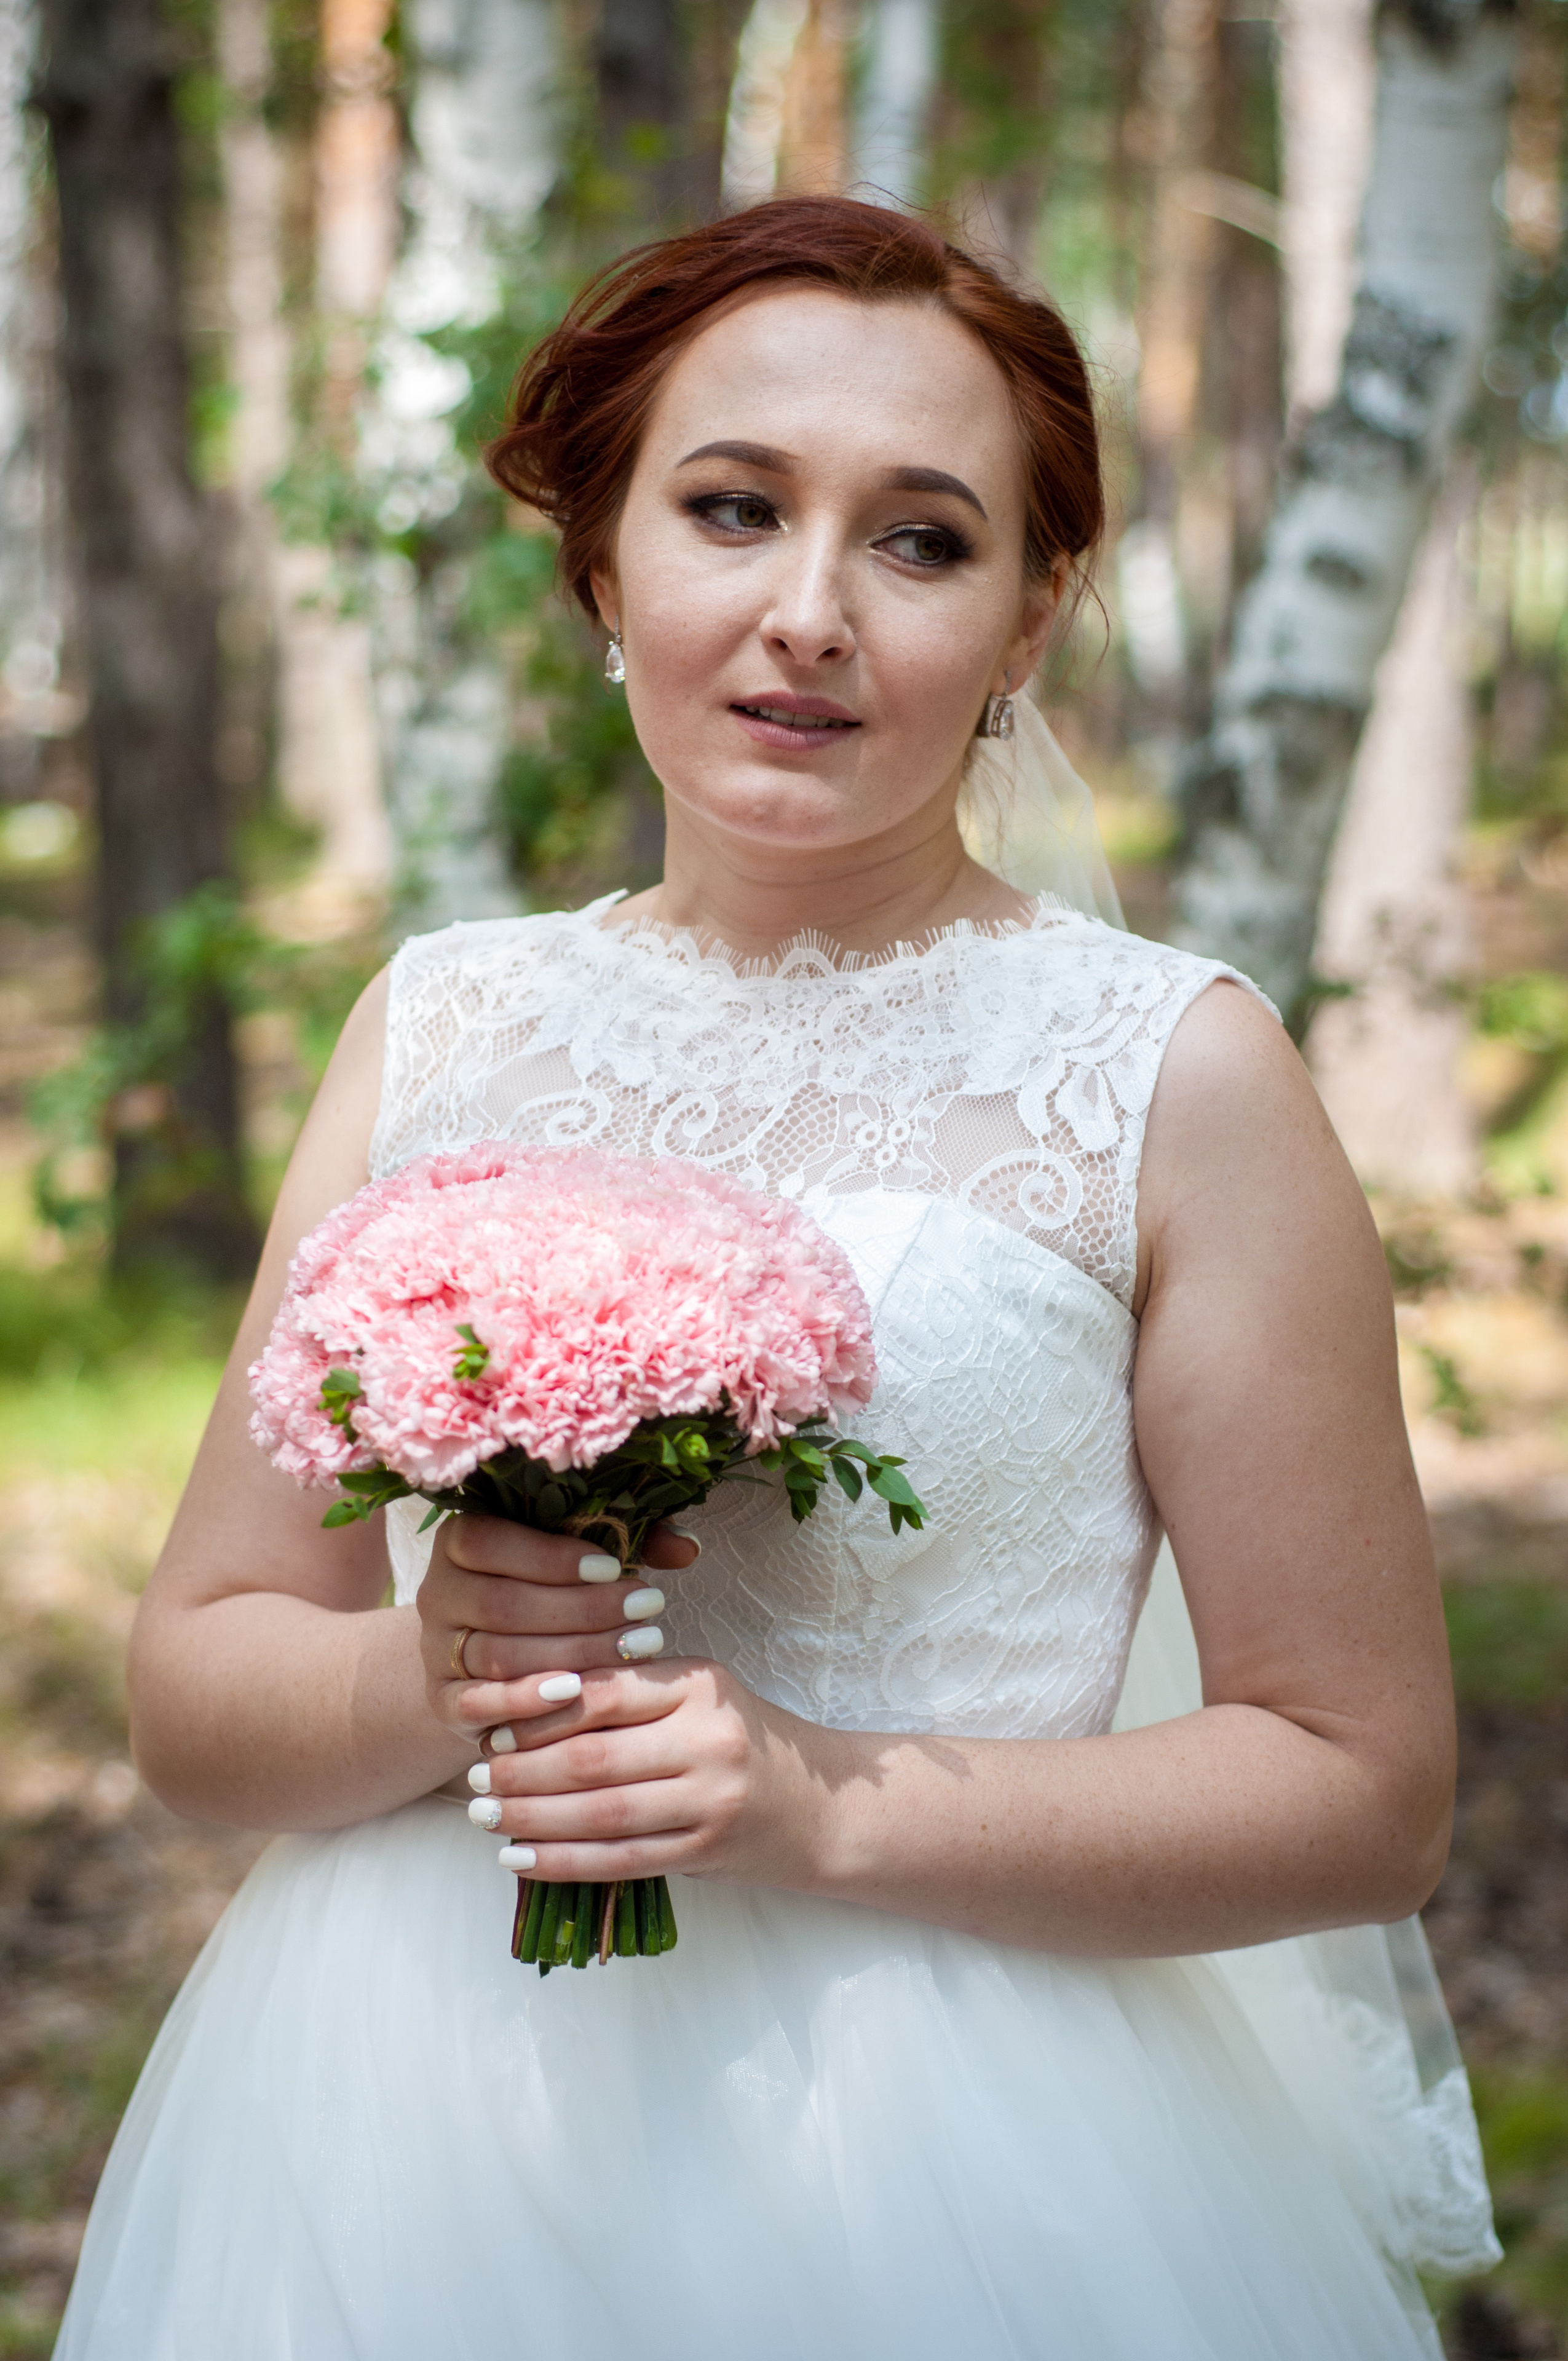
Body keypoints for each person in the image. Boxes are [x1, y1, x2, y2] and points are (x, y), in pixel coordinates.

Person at [56, 196, 1493, 2360]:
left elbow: (1360, 1787)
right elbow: (198, 1685)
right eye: (732, 509)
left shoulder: (1174, 1075)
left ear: (1030, 619)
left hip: (963, 2156)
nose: (807, 612)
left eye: (921, 542)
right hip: (403, 2131)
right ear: (608, 563)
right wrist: (424, 1676)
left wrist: (815, 1806)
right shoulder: (432, 1028)